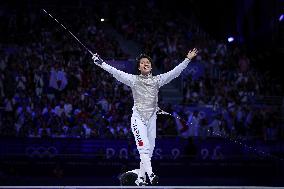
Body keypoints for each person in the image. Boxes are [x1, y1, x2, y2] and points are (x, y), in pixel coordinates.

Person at [92, 48, 198, 185]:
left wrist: (187, 60)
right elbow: (116, 72)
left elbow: (174, 73)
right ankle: (151, 175)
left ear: (151, 66)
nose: (145, 64)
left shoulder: (157, 80)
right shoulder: (133, 80)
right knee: (144, 148)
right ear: (139, 67)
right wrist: (101, 63)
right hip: (138, 119)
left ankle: (140, 178)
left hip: (152, 120)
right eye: (142, 63)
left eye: (147, 62)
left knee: (149, 152)